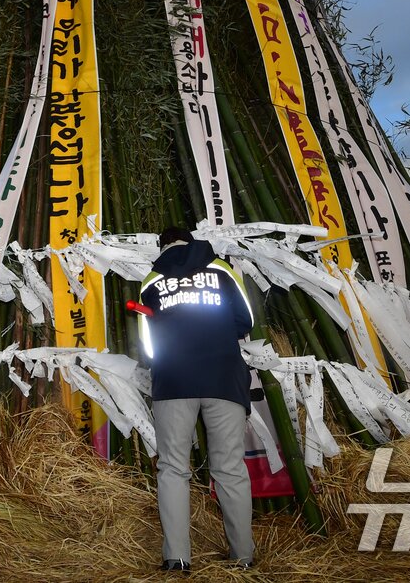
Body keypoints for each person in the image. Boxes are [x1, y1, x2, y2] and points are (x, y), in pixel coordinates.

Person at [139, 227, 255, 572]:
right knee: (230, 468)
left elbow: (148, 348)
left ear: (161, 246)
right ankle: (243, 557)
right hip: (224, 378)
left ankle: (176, 559)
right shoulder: (222, 269)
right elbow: (245, 320)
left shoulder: (152, 280)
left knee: (173, 468)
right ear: (191, 241)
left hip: (174, 380)